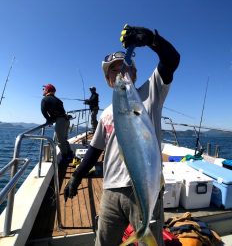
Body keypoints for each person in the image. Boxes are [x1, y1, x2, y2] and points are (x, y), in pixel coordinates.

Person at [64, 24, 180, 245]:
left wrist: (152, 40)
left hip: (143, 188)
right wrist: (77, 175)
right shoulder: (108, 113)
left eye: (125, 67)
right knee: (104, 242)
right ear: (108, 79)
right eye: (114, 70)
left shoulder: (151, 92)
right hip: (110, 189)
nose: (120, 72)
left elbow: (171, 60)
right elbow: (95, 148)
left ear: (134, 73)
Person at [41, 84, 74, 164]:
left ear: (47, 90)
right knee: (64, 139)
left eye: (44, 89)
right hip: (66, 120)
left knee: (60, 141)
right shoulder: (58, 100)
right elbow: (59, 111)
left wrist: (48, 120)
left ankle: (65, 158)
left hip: (61, 121)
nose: (43, 90)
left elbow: (43, 111)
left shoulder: (45, 99)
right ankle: (70, 154)